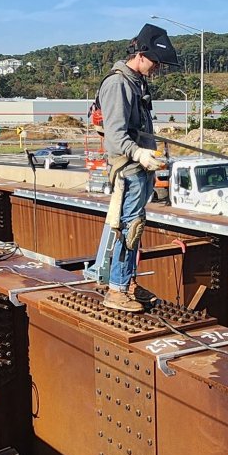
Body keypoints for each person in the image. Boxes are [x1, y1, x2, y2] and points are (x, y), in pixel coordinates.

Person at [96, 23, 180, 312]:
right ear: (141, 54)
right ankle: (117, 289)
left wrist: (151, 154)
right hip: (127, 166)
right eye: (156, 62)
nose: (157, 68)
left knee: (136, 225)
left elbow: (140, 127)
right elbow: (116, 136)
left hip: (139, 166)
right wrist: (140, 155)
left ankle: (128, 281)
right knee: (130, 226)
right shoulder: (118, 84)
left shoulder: (136, 82)